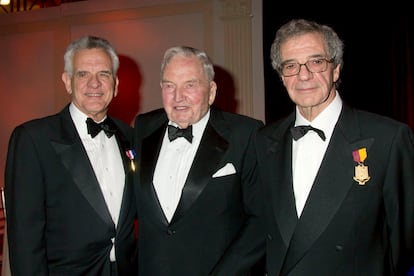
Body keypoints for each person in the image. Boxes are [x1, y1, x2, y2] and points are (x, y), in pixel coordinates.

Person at [255, 18, 414, 275]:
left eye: (316, 62)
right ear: (282, 76)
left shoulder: (388, 138)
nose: (303, 75)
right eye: (291, 66)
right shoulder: (263, 141)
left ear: (336, 69)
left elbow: (404, 242)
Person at [4, 35, 137, 276]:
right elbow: (24, 237)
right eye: (83, 74)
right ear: (67, 81)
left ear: (116, 85)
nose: (94, 84)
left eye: (104, 74)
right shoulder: (33, 139)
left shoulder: (129, 136)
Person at [133, 46, 265, 275]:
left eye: (190, 85)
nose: (178, 97)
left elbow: (261, 219)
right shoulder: (143, 127)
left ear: (211, 91)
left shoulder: (245, 133)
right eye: (169, 86)